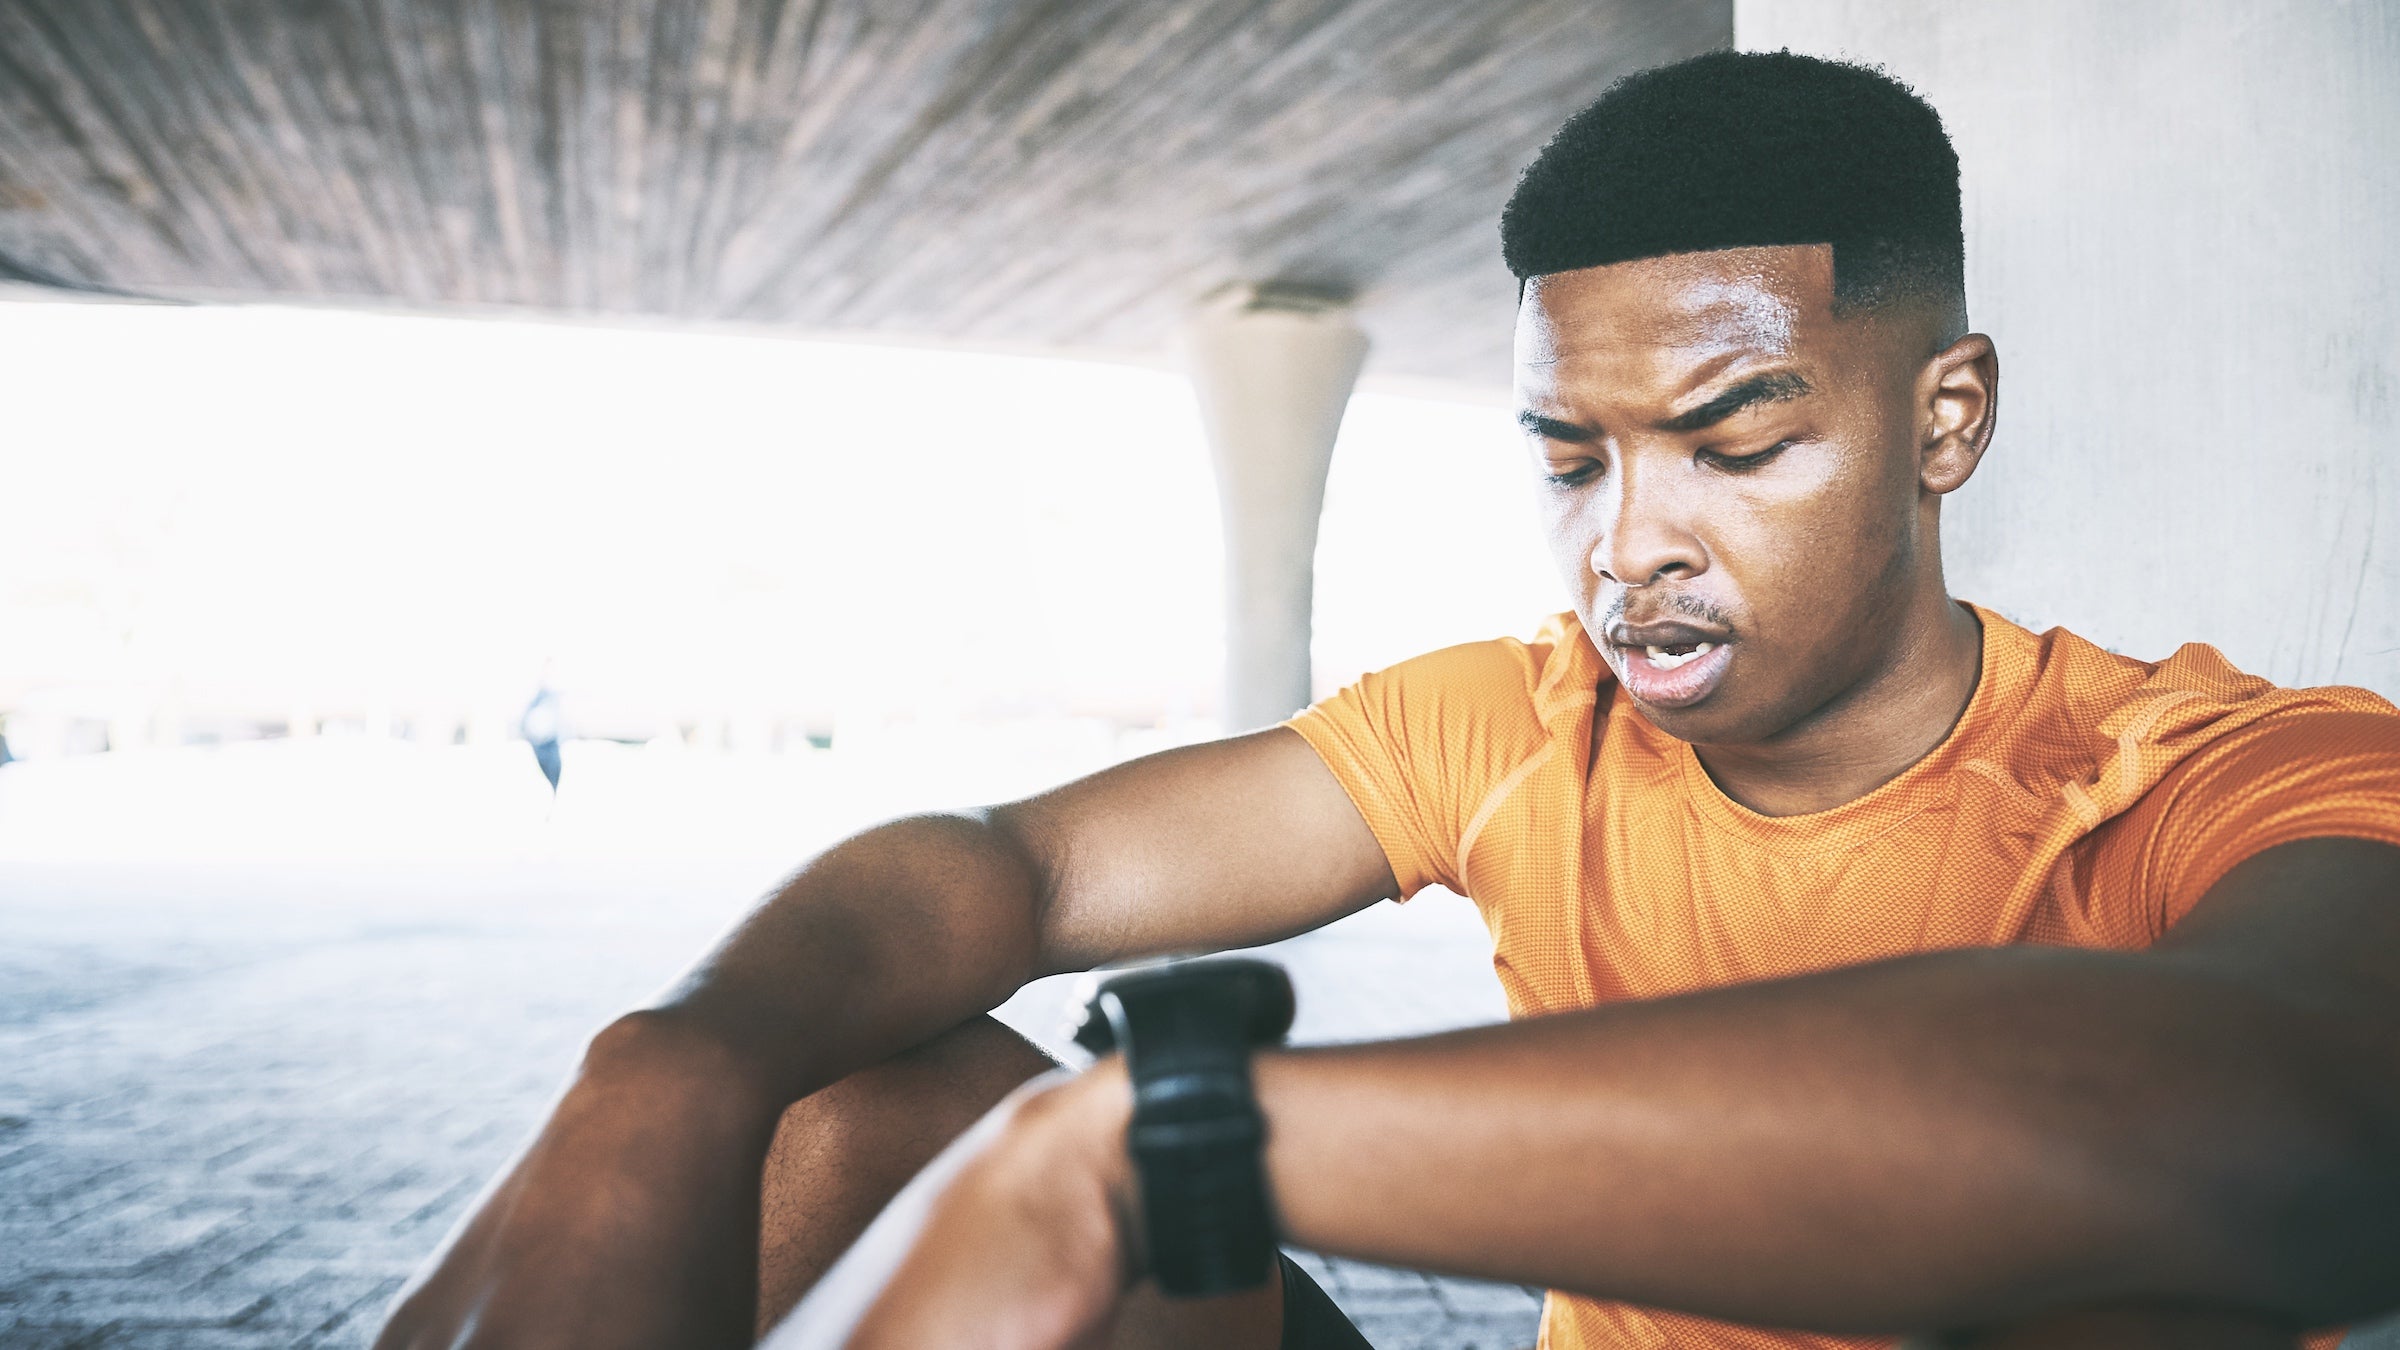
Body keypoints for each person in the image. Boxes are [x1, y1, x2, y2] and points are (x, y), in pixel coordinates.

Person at [377, 51, 2400, 1350]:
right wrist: (677, 1062)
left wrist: (1166, 1139)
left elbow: (2305, 1137)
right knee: (844, 1099)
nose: (1631, 547)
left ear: (1942, 419)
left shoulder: (2223, 768)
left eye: (1733, 444)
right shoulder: (1519, 722)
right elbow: (1016, 867)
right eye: (1571, 458)